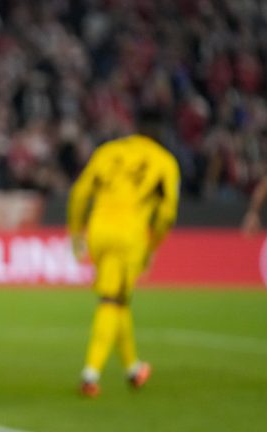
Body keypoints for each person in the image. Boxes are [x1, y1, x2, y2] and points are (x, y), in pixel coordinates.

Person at [67, 111, 180, 397]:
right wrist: (153, 244)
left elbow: (80, 192)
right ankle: (90, 373)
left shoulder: (108, 151)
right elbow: (167, 212)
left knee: (118, 300)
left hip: (99, 229)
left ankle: (133, 368)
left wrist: (77, 231)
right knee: (111, 300)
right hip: (130, 234)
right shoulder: (164, 161)